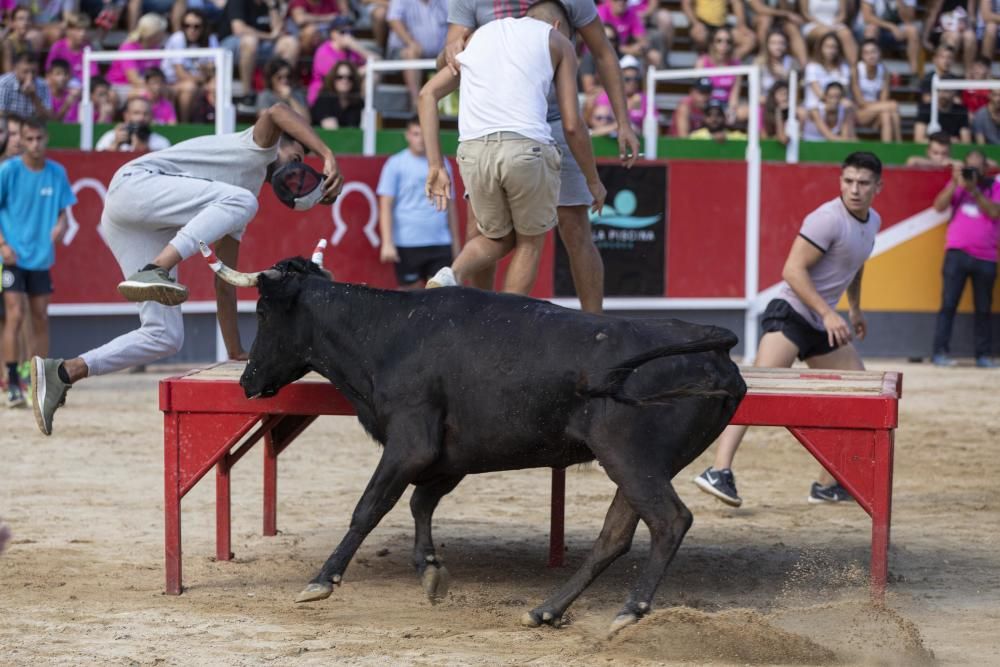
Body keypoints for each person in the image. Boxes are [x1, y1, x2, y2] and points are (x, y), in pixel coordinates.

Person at [29, 103, 345, 436]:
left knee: (164, 336)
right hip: (135, 186)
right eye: (298, 153)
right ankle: (156, 268)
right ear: (286, 139)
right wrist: (328, 154)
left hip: (134, 223)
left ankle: (63, 373)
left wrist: (234, 349)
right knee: (243, 203)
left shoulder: (237, 201)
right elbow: (278, 110)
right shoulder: (257, 149)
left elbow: (225, 280)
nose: (298, 163)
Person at [694, 151, 884, 506]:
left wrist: (854, 308)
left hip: (822, 320)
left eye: (863, 183)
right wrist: (829, 314)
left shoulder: (872, 221)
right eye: (848, 181)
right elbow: (792, 271)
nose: (854, 190)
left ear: (878, 187)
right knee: (755, 390)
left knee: (858, 393)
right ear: (840, 181)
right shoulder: (826, 219)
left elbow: (856, 265)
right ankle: (718, 471)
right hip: (793, 313)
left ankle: (828, 484)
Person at [443, 0, 641, 314]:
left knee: (575, 227)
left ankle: (593, 327)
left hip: (555, 119)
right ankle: (482, 324)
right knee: (482, 232)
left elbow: (604, 53)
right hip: (500, 122)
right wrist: (450, 49)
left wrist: (624, 120)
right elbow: (450, 60)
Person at [420, 0, 606, 296]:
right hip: (526, 148)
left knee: (497, 238)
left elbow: (427, 93)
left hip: (473, 150)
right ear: (559, 27)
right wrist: (593, 180)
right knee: (529, 244)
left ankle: (450, 274)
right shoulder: (557, 41)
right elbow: (572, 125)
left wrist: (435, 165)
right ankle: (507, 328)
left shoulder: (478, 36)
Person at [0, 117, 74, 408]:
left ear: (46, 138)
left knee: (41, 316)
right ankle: (12, 381)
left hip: (41, 258)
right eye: (29, 139)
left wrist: (61, 225)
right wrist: (3, 244)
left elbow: (64, 213)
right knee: (15, 314)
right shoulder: (9, 171)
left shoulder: (57, 173)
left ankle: (38, 380)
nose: (34, 145)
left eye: (39, 139)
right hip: (12, 256)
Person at [930, 150, 1000, 368]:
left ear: (986, 169)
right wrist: (954, 183)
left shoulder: (994, 187)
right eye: (970, 167)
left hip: (986, 255)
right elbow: (939, 206)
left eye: (977, 167)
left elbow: (994, 212)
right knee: (948, 305)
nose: (974, 171)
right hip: (957, 253)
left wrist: (975, 191)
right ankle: (939, 353)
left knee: (983, 308)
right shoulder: (958, 187)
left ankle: (983, 356)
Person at [377, 118, 459, 289]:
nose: (420, 139)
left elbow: (450, 206)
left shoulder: (443, 165)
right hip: (407, 242)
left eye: (424, 134)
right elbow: (385, 205)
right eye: (416, 134)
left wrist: (456, 244)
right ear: (407, 135)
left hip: (440, 242)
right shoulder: (395, 164)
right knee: (409, 299)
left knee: (443, 298)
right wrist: (387, 242)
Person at [220, 0, 301, 107]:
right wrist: (269, 36)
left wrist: (272, 6)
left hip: (262, 44)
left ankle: (281, 90)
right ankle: (247, 94)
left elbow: (279, 31)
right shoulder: (237, 2)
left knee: (291, 43)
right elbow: (239, 29)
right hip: (233, 45)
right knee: (250, 41)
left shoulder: (270, 3)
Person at [387, 0, 448, 109]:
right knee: (411, 53)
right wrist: (410, 42)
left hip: (439, 53)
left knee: (454, 53)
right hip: (403, 50)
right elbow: (393, 19)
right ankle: (417, 103)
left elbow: (456, 22)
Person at [307, 16, 379, 106]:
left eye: (350, 32)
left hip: (346, 97)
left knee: (374, 74)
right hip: (324, 98)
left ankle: (363, 108)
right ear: (332, 33)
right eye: (343, 32)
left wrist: (357, 47)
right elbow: (335, 77)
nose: (347, 36)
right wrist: (362, 70)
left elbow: (378, 62)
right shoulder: (323, 51)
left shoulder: (352, 50)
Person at [162, 8, 220, 122]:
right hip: (170, 84)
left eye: (196, 26)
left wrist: (209, 80)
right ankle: (185, 124)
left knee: (216, 85)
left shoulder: (210, 38)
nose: (191, 30)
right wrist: (203, 78)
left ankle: (216, 124)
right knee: (190, 87)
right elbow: (180, 74)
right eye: (187, 25)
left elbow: (214, 69)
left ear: (203, 27)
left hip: (197, 82)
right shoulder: (177, 38)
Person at [851, 39, 900, 143]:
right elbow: (860, 102)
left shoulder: (884, 71)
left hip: (878, 112)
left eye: (873, 52)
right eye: (866, 53)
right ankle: (899, 142)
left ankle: (889, 149)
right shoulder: (857, 70)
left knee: (886, 113)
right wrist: (883, 105)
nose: (871, 56)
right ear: (862, 56)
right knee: (892, 106)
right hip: (859, 113)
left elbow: (884, 99)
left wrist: (881, 106)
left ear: (879, 53)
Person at [696, 27, 747, 123]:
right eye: (719, 41)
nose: (724, 44)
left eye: (728, 41)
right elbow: (698, 92)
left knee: (747, 111)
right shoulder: (702, 62)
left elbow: (734, 94)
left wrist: (731, 110)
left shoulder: (736, 64)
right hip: (706, 105)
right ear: (712, 43)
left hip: (726, 106)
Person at [106, 13, 169, 89]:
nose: (164, 35)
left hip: (146, 85)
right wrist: (154, 87)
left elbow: (156, 74)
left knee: (166, 91)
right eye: (161, 32)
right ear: (152, 34)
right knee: (146, 93)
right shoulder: (128, 47)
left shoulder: (155, 48)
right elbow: (134, 79)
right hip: (120, 85)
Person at [858, 0, 920, 75]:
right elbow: (867, 17)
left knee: (912, 31)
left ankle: (914, 74)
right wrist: (891, 27)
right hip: (871, 28)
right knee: (871, 30)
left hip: (896, 30)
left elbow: (908, 20)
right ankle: (870, 72)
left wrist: (900, 3)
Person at [681, 0, 756, 58]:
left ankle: (726, 63)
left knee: (749, 39)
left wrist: (741, 25)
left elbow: (736, 2)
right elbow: (686, 4)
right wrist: (695, 23)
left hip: (722, 25)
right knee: (699, 35)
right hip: (702, 23)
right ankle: (708, 63)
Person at [96, 96, 171, 152]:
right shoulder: (110, 137)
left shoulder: (161, 142)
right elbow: (98, 163)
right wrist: (115, 144)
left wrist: (144, 150)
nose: (141, 118)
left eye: (146, 114)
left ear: (151, 117)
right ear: (126, 115)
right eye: (136, 113)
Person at [923, 0, 977, 75]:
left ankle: (969, 73)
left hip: (962, 29)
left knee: (970, 36)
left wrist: (966, 23)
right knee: (955, 36)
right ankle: (947, 73)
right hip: (942, 30)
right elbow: (932, 15)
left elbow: (972, 18)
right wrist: (925, 38)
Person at [44, 12, 99, 86]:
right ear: (68, 30)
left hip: (83, 89)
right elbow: (49, 71)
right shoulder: (58, 47)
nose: (83, 34)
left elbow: (93, 74)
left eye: (85, 30)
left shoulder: (88, 47)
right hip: (61, 88)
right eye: (78, 30)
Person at [748, 0, 808, 67]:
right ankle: (764, 53)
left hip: (776, 19)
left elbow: (785, 9)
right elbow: (759, 9)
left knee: (792, 28)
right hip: (755, 22)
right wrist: (786, 14)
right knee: (765, 19)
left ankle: (804, 67)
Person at [803, 32, 851, 114]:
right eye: (827, 47)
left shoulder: (844, 68)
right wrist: (833, 101)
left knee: (848, 106)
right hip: (816, 108)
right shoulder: (812, 67)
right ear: (820, 48)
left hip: (838, 107)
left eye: (834, 47)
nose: (831, 51)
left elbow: (844, 91)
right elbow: (820, 94)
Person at [800, 0, 858, 66]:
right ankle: (821, 67)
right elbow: (805, 14)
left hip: (834, 23)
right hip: (813, 23)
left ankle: (854, 68)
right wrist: (822, 25)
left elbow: (842, 14)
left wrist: (834, 23)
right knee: (825, 33)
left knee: (846, 33)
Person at [310, 60, 364, 128]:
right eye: (340, 77)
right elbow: (331, 129)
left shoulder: (358, 102)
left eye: (350, 77)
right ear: (333, 78)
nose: (345, 80)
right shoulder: (324, 99)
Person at [0, 53, 52, 120]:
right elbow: (1, 113)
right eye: (25, 72)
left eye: (34, 72)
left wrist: (33, 96)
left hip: (33, 127)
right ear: (15, 69)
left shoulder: (43, 85)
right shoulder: (3, 83)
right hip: (8, 126)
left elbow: (48, 118)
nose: (30, 76)